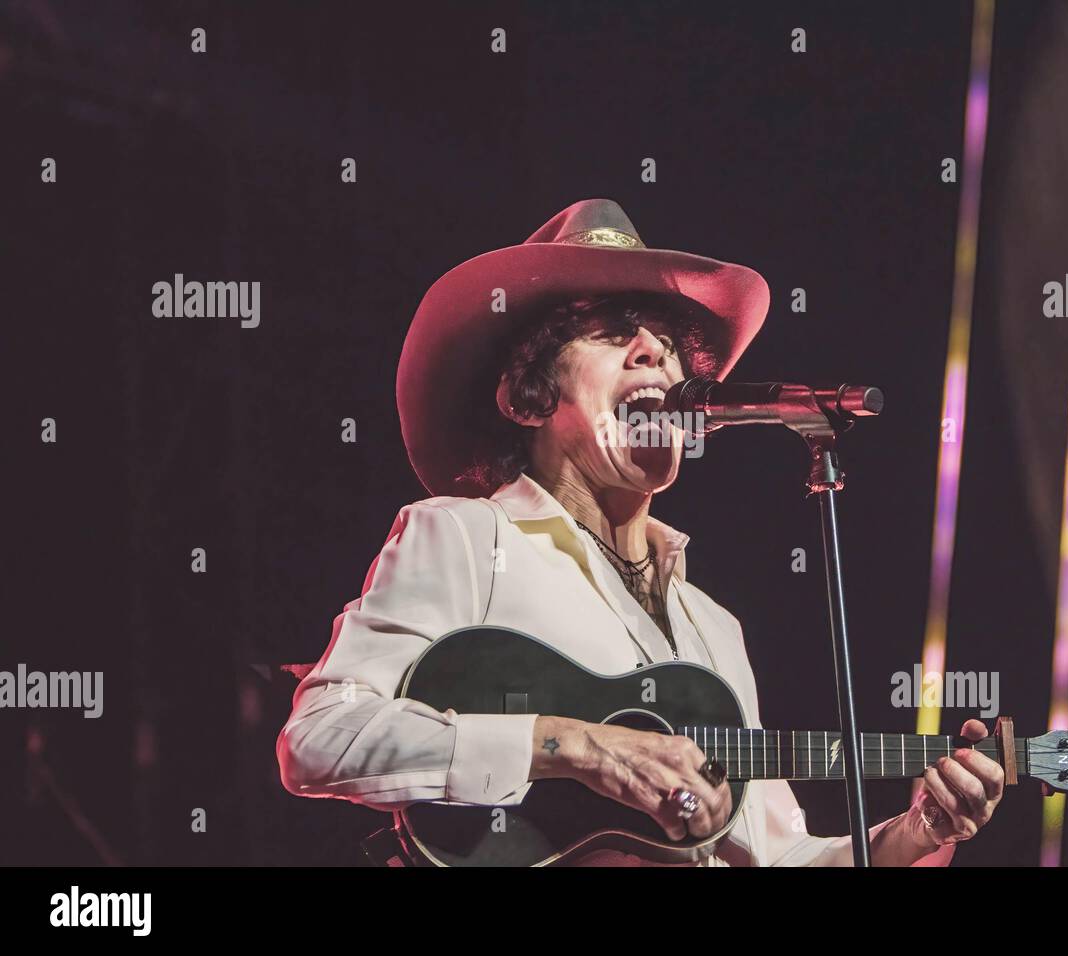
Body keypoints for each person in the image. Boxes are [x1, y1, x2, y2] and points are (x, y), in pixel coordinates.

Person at [276, 198, 1003, 866]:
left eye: (668, 339)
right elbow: (319, 739)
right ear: (529, 396)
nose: (655, 350)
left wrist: (916, 834)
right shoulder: (465, 537)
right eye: (614, 331)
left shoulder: (714, 626)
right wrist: (579, 747)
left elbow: (774, 857)